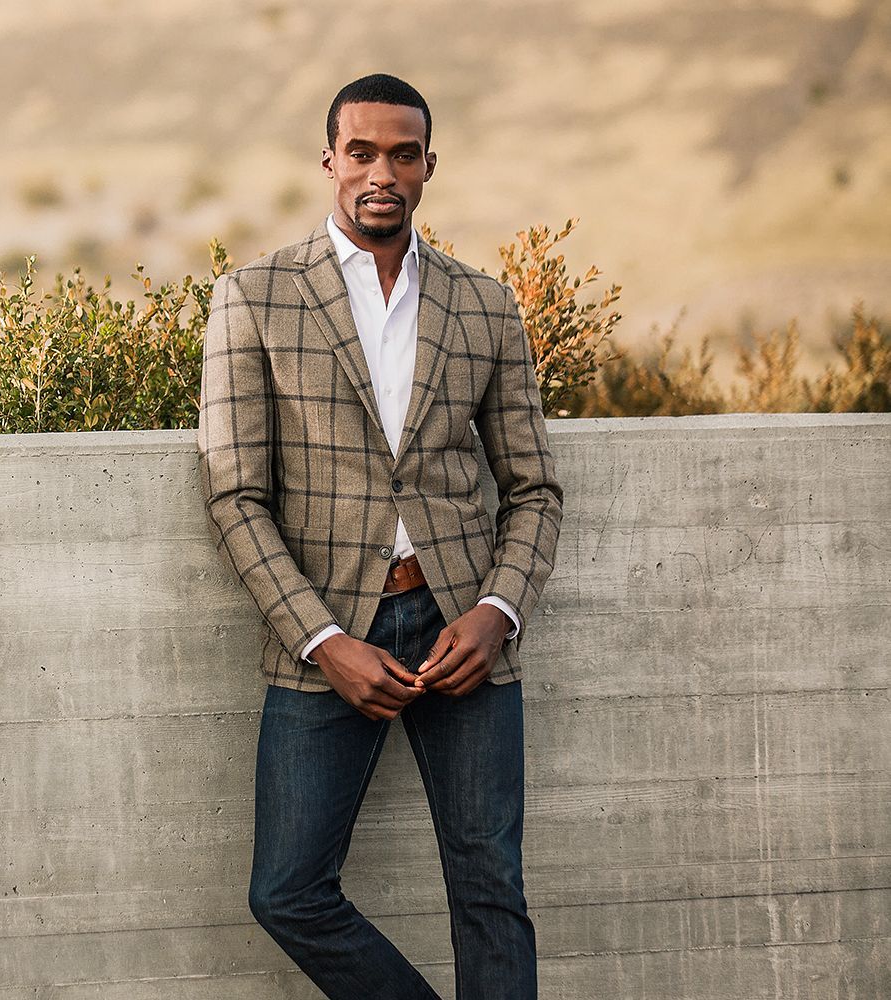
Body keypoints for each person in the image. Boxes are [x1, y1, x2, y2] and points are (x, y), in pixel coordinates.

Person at [196, 73, 563, 999]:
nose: (381, 173)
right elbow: (236, 495)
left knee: (491, 890)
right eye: (361, 152)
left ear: (429, 166)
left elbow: (534, 488)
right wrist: (323, 642)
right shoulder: (254, 297)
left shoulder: (484, 305)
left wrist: (498, 610)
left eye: (403, 154)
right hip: (329, 637)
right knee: (286, 891)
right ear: (329, 162)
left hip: (461, 633)